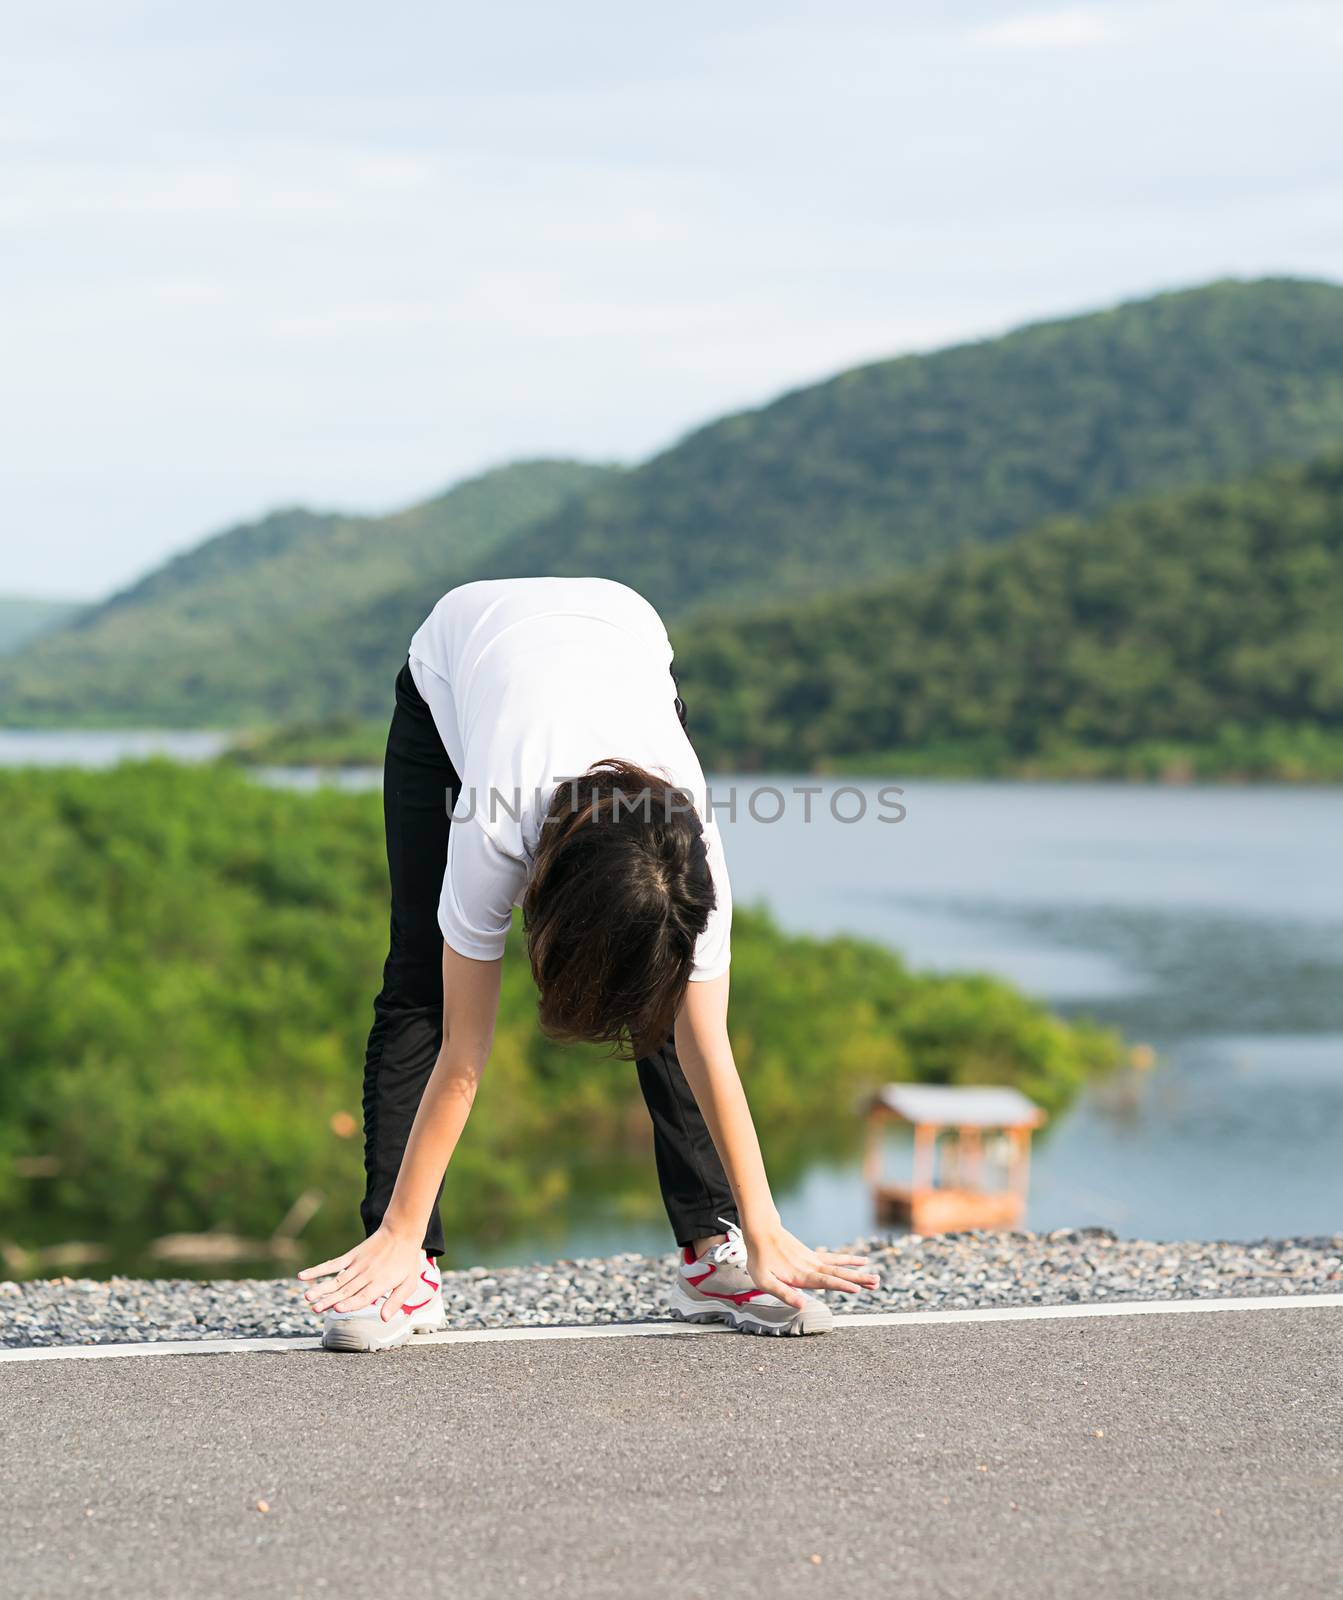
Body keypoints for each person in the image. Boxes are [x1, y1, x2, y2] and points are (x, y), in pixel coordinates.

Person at [299, 576, 877, 1350]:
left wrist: (765, 1225)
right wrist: (403, 1226)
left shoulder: (688, 851)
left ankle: (716, 1248)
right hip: (458, 662)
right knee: (420, 986)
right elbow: (464, 1051)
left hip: (621, 633)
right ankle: (403, 1260)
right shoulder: (494, 828)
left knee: (658, 963)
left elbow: (709, 1042)